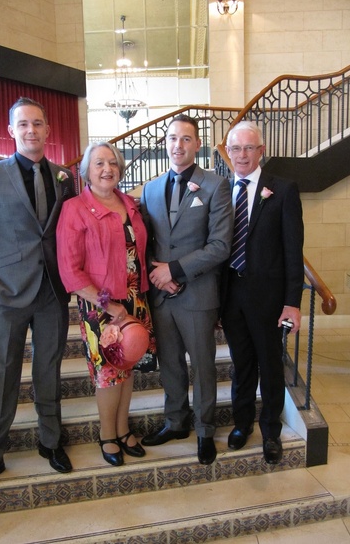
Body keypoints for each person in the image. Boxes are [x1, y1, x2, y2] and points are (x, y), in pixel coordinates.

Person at [0, 97, 75, 498]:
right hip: (7, 296)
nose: (31, 130)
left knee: (49, 372)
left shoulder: (65, 177)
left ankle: (50, 441)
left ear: (47, 130)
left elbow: (69, 234)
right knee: (3, 377)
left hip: (52, 293)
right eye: (23, 124)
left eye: (37, 123)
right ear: (11, 131)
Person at [140, 114, 233, 465]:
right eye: (172, 138)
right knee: (170, 364)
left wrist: (175, 270)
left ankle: (205, 429)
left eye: (185, 138)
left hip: (197, 293)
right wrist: (157, 272)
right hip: (160, 294)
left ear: (197, 144)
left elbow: (220, 246)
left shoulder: (215, 185)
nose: (177, 145)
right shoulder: (150, 188)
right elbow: (145, 241)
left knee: (203, 366)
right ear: (165, 143)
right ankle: (176, 422)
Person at [56, 141, 156, 467]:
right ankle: (107, 434)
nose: (107, 169)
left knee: (128, 366)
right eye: (99, 163)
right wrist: (109, 305)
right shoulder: (75, 208)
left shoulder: (129, 204)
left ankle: (124, 429)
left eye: (112, 163)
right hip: (100, 305)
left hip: (135, 297)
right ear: (87, 171)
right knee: (109, 373)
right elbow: (70, 271)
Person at [220, 121, 304, 464]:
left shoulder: (282, 190)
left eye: (249, 147)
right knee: (241, 365)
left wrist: (292, 303)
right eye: (235, 148)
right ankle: (241, 425)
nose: (242, 154)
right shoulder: (220, 190)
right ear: (227, 152)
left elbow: (293, 250)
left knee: (269, 365)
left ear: (261, 151)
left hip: (268, 299)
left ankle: (270, 430)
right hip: (230, 296)